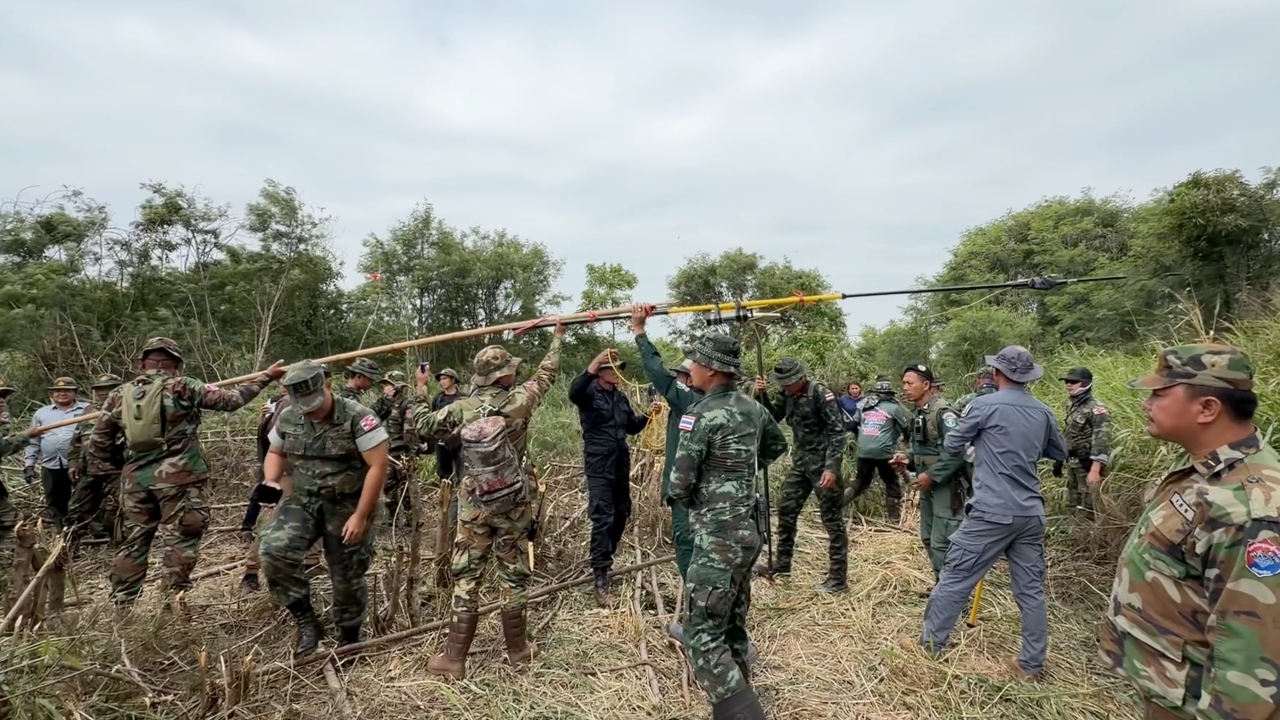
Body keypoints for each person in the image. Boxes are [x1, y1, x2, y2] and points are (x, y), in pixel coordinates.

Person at [1101, 343, 1280, 720]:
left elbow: (1248, 658)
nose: (1146, 404)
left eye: (1159, 394)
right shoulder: (1205, 471)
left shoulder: (1248, 508)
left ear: (1207, 408)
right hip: (1170, 690)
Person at [414, 319, 565, 680]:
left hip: (474, 505)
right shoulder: (520, 401)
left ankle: (453, 658)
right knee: (513, 576)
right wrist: (557, 338)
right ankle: (518, 653)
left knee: (467, 575)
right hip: (512, 502)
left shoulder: (460, 409)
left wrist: (420, 387)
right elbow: (546, 374)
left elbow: (421, 423)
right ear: (504, 376)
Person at [88, 337, 285, 610]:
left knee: (132, 543)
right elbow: (232, 401)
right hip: (180, 480)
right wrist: (266, 377)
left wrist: (123, 468)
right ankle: (171, 606)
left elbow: (98, 443)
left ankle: (122, 606)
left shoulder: (118, 394)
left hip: (134, 483)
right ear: (177, 364)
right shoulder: (184, 386)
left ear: (142, 363)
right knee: (180, 543)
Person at [913, 345, 1067, 681]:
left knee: (954, 578)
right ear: (1027, 378)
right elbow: (1059, 451)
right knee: (1030, 591)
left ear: (997, 374)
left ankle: (928, 649)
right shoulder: (1042, 412)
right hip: (1030, 514)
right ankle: (1031, 665)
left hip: (991, 513)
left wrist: (984, 443)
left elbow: (953, 445)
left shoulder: (983, 405)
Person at [670, 331, 787, 720]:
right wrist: (738, 475)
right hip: (747, 533)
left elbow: (680, 482)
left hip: (715, 536)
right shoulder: (753, 408)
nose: (691, 370)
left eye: (695, 364)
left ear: (712, 369)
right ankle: (741, 697)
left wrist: (697, 497)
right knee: (733, 626)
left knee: (701, 633)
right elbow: (776, 446)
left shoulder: (699, 414)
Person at [259, 360, 390, 656]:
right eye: (304, 404)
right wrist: (271, 480)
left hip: (348, 503)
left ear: (328, 386)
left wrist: (360, 515)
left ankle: (349, 635)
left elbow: (378, 466)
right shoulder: (290, 416)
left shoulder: (358, 417)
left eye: (315, 402)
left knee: (346, 571)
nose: (311, 410)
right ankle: (306, 621)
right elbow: (276, 451)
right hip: (304, 501)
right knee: (274, 552)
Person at [630, 303, 703, 632]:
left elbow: (657, 372)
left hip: (689, 495)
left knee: (690, 553)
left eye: (682, 376)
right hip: (716, 497)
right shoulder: (730, 402)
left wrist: (640, 331)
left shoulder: (690, 399)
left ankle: (699, 624)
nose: (678, 380)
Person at [752, 357, 848, 592]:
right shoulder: (788, 395)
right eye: (781, 383)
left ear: (800, 378)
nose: (784, 387)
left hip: (823, 466)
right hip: (801, 464)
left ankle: (838, 579)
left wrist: (832, 467)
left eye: (788, 383)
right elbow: (772, 417)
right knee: (786, 510)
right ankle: (782, 564)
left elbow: (838, 433)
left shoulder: (820, 394)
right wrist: (761, 395)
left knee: (832, 521)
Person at [568, 348, 650, 606]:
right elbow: (574, 391)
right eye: (612, 368)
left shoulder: (621, 398)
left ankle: (605, 557)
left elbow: (632, 427)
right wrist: (596, 359)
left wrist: (649, 414)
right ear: (601, 372)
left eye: (619, 369)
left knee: (622, 512)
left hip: (620, 464)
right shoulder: (589, 394)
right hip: (599, 464)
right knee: (603, 516)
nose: (618, 373)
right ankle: (600, 575)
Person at [893, 365, 966, 594]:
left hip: (947, 488)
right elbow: (924, 449)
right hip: (929, 488)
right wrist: (907, 458)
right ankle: (941, 586)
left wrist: (931, 476)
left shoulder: (944, 413)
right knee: (928, 538)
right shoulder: (919, 413)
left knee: (944, 541)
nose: (905, 388)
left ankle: (953, 596)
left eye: (910, 383)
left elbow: (956, 452)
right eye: (903, 383)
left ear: (926, 385)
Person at [843, 376, 912, 523]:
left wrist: (862, 439)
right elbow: (906, 428)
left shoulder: (864, 405)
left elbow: (852, 425)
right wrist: (906, 441)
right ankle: (894, 519)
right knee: (891, 482)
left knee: (861, 481)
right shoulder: (894, 407)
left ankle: (837, 506)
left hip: (863, 451)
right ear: (890, 394)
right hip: (884, 452)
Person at [24, 377, 89, 528]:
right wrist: (29, 465)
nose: (62, 393)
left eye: (66, 390)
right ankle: (62, 529)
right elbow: (33, 441)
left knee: (84, 497)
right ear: (51, 394)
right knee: (54, 499)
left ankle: (84, 528)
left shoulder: (87, 410)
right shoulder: (42, 413)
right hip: (51, 464)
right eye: (57, 391)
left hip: (81, 463)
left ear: (75, 392)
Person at [66, 373, 125, 542]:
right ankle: (70, 546)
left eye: (108, 389)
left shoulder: (128, 408)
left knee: (118, 507)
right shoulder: (88, 411)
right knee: (76, 507)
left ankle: (120, 545)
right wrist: (74, 463)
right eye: (99, 390)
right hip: (90, 470)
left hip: (117, 469)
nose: (103, 393)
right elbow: (76, 441)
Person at [1058, 367, 1110, 518]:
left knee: (1089, 506)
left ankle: (1093, 537)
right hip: (1073, 463)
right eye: (1067, 381)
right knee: (1074, 503)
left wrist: (1095, 470)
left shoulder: (1096, 409)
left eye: (1073, 382)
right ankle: (1077, 534)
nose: (1069, 385)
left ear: (1085, 383)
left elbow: (1102, 439)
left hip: (1087, 464)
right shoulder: (1073, 406)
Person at [374, 370, 420, 523]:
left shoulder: (407, 404)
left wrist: (410, 454)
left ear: (397, 386)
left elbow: (410, 431)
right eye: (385, 385)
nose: (385, 388)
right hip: (386, 453)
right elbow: (372, 417)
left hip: (403, 454)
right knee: (388, 487)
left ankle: (410, 521)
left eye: (388, 384)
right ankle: (392, 519)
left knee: (407, 488)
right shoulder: (384, 404)